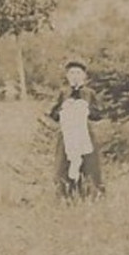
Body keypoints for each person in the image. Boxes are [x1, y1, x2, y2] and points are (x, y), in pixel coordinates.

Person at [48, 59, 105, 200]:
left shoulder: (89, 93)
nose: (75, 76)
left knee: (89, 165)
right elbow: (53, 115)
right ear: (67, 76)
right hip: (67, 136)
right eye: (72, 73)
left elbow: (98, 115)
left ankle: (91, 194)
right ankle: (66, 196)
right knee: (64, 164)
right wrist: (64, 108)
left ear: (84, 76)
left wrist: (85, 108)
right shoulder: (63, 92)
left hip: (85, 135)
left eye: (78, 73)